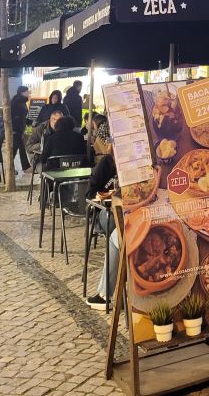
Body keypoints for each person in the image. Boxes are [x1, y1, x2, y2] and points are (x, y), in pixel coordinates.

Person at [86, 131, 119, 309]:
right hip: (105, 212)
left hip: (129, 214)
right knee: (116, 229)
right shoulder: (107, 163)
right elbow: (90, 195)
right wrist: (107, 196)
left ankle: (110, 293)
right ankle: (108, 293)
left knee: (118, 235)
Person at [10, 85, 31, 174]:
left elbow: (22, 117)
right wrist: (14, 128)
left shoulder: (21, 101)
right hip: (16, 129)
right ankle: (26, 167)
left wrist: (29, 122)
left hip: (19, 128)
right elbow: (15, 116)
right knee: (21, 148)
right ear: (22, 93)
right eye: (27, 92)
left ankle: (9, 168)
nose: (29, 93)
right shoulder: (17, 102)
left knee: (14, 149)